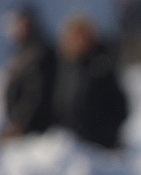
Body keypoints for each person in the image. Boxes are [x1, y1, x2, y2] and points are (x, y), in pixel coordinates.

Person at [53, 16, 130, 150]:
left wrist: (105, 134)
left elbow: (119, 106)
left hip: (99, 146)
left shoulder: (102, 65)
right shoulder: (63, 66)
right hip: (69, 143)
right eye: (77, 38)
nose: (81, 42)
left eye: (85, 37)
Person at [0, 2, 56, 142]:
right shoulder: (21, 50)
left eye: (20, 22)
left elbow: (36, 94)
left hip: (33, 133)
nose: (16, 28)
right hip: (18, 126)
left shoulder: (40, 52)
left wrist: (21, 124)